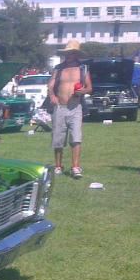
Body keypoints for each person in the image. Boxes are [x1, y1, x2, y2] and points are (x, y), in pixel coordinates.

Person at [46, 40, 92, 178]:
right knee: (58, 138)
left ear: (76, 54)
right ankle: (58, 166)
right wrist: (52, 95)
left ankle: (75, 167)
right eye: (67, 53)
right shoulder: (59, 68)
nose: (68, 55)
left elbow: (89, 88)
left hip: (75, 107)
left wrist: (82, 91)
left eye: (71, 53)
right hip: (60, 107)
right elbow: (50, 84)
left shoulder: (83, 69)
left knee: (76, 138)